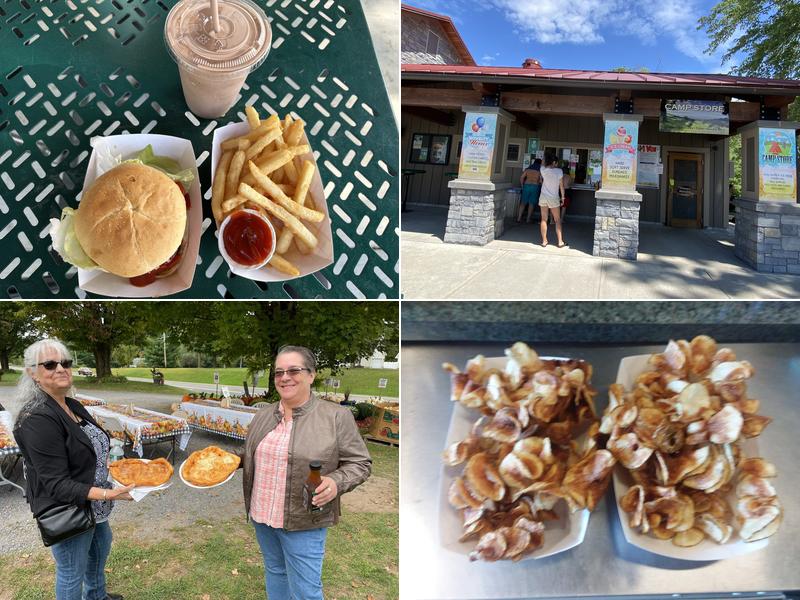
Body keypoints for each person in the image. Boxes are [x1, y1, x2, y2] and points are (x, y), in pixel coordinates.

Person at [242, 345, 372, 600]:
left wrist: (336, 482)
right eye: (279, 372)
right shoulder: (263, 415)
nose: (284, 377)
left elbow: (360, 463)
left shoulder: (336, 416)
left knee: (305, 590)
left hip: (304, 519)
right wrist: (219, 461)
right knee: (275, 571)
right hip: (262, 513)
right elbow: (250, 453)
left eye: (293, 370)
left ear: (311, 375)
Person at [10, 338, 134, 600]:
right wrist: (109, 494)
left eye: (65, 362)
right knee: (70, 573)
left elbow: (90, 447)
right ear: (33, 373)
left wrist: (113, 466)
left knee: (98, 557)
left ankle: (97, 596)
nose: (60, 368)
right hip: (68, 510)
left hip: (95, 505)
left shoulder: (71, 405)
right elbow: (56, 483)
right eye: (50, 364)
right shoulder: (35, 418)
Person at [538, 154, 567, 248]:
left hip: (543, 196)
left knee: (543, 219)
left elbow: (542, 163)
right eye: (556, 162)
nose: (557, 164)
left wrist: (545, 158)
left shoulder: (543, 170)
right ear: (554, 162)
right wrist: (563, 198)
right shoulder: (559, 171)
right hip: (554, 197)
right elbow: (561, 186)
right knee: (557, 220)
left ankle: (544, 241)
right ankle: (560, 242)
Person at [516, 158, 542, 223]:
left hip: (526, 185)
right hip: (535, 186)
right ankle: (528, 219)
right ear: (540, 163)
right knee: (531, 203)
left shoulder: (528, 169)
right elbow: (541, 181)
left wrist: (522, 185)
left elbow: (522, 177)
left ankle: (519, 218)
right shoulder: (540, 170)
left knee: (523, 202)